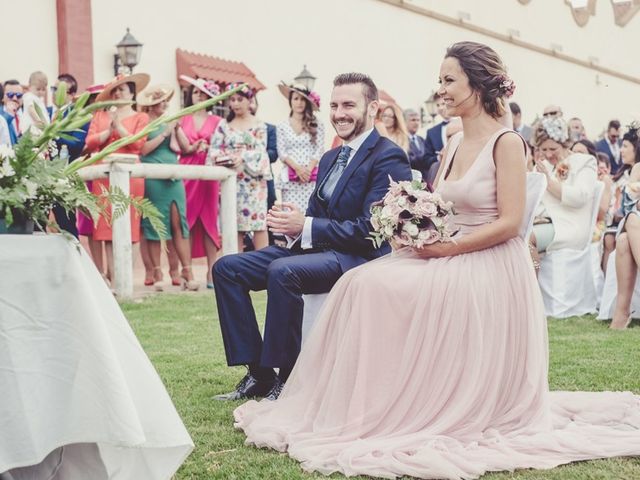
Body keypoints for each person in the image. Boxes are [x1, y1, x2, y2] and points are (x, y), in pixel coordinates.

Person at [232, 42, 640, 480]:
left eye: (449, 80)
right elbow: (439, 208)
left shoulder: (507, 142)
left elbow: (510, 224)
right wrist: (410, 230)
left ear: (477, 85)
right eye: (440, 81)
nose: (440, 90)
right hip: (443, 251)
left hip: (490, 262)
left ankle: (400, 405)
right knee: (359, 282)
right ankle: (368, 404)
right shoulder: (455, 142)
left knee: (379, 287)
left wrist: (445, 249)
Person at [211, 72, 412, 402]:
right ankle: (258, 374)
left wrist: (305, 226)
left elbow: (371, 230)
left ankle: (288, 377)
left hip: (357, 257)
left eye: (349, 105)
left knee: (283, 272)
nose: (339, 113)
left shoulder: (388, 156)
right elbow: (317, 214)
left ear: (373, 108)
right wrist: (291, 225)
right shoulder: (332, 156)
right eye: (333, 105)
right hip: (315, 250)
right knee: (227, 269)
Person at [84, 73, 150, 282]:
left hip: (131, 175)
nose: (118, 92)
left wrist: (119, 128)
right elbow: (89, 142)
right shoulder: (100, 116)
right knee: (105, 227)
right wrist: (107, 132)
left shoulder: (141, 117)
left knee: (130, 225)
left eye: (122, 89)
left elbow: (139, 145)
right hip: (103, 174)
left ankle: (127, 274)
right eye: (115, 90)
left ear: (132, 92)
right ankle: (112, 275)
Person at [137, 85, 199, 291]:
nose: (164, 103)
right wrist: (164, 133)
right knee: (154, 223)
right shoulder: (144, 121)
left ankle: (187, 270)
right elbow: (143, 149)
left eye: (165, 100)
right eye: (159, 100)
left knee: (178, 222)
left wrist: (177, 128)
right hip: (153, 176)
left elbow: (185, 147)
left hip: (173, 175)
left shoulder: (170, 121)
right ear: (151, 104)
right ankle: (157, 272)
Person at [528, 116, 597, 272]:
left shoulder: (584, 162)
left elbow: (580, 197)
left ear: (565, 143)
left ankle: (532, 287)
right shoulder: (542, 165)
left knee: (526, 241)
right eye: (543, 150)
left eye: (553, 149)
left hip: (568, 225)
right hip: (542, 222)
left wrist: (548, 181)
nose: (549, 154)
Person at [208, 83, 272, 253]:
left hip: (254, 183)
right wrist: (227, 159)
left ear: (249, 100)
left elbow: (261, 152)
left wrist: (242, 157)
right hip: (231, 181)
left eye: (240, 99)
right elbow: (213, 150)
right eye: (233, 100)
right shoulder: (223, 125)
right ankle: (234, 267)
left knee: (259, 224)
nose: (235, 103)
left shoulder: (259, 125)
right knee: (233, 225)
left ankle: (262, 268)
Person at [176, 75, 223, 289]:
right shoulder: (182, 118)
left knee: (209, 221)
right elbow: (176, 146)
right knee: (185, 220)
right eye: (195, 92)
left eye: (203, 93)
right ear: (190, 95)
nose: (199, 96)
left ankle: (212, 272)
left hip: (209, 173)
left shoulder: (218, 122)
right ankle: (188, 271)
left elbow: (223, 146)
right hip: (187, 172)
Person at [276, 82, 324, 211]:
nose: (299, 102)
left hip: (311, 177)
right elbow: (282, 153)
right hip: (291, 178)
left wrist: (307, 170)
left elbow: (319, 149)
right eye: (296, 98)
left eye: (303, 99)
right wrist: (298, 169)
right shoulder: (282, 126)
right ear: (290, 101)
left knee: (310, 214)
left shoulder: (317, 124)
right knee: (289, 214)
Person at [424, 92, 452, 172]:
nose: (440, 108)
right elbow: (426, 161)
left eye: (443, 103)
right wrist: (439, 158)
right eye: (438, 105)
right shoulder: (431, 132)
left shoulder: (464, 124)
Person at [20, 71, 49, 136]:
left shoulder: (39, 100)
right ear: (29, 87)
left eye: (43, 89)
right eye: (38, 89)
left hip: (39, 129)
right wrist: (39, 121)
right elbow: (31, 109)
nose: (41, 92)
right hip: (32, 127)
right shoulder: (29, 96)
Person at [404, 108, 428, 178]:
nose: (416, 123)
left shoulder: (422, 140)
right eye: (413, 120)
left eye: (418, 120)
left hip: (426, 181)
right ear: (404, 122)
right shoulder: (402, 140)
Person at [0, 79, 23, 144]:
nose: (15, 98)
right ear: (2, 97)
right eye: (10, 95)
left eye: (19, 95)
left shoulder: (25, 114)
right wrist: (9, 115)